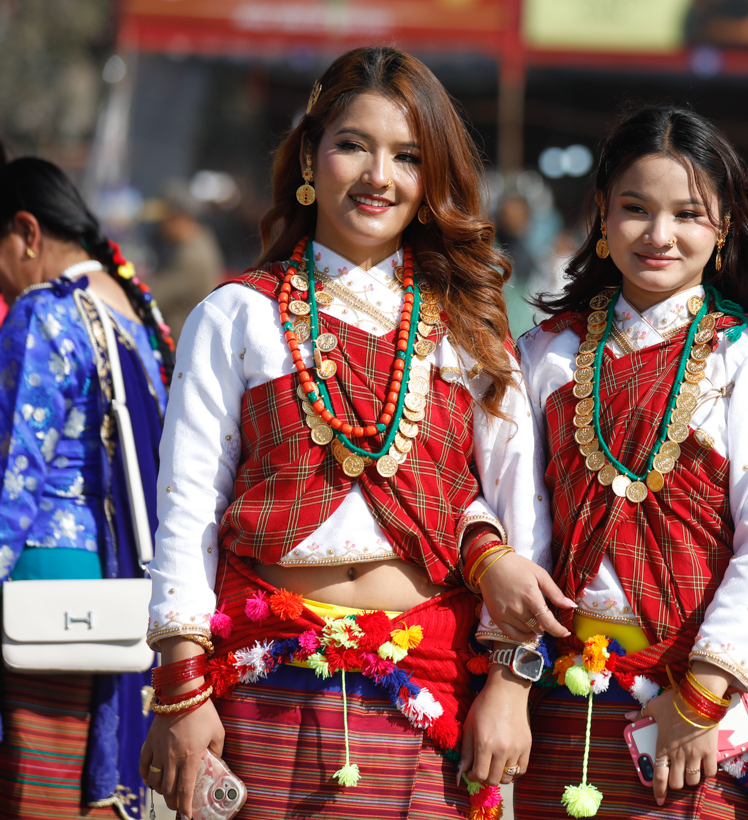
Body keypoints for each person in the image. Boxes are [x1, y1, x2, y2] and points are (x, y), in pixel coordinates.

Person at [139, 46, 565, 819]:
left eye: (408, 156)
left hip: (430, 688)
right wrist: (180, 689)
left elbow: (520, 520)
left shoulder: (470, 333)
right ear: (309, 156)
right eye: (352, 145)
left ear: (432, 181)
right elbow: (188, 508)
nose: (379, 176)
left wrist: (510, 684)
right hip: (262, 686)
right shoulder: (236, 315)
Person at [512, 106, 748, 819]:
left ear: (725, 227)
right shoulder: (546, 354)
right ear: (600, 213)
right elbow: (523, 527)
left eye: (687, 214)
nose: (659, 234)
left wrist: (703, 694)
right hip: (559, 695)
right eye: (636, 209)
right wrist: (511, 675)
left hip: (697, 701)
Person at [0, 157, 174, 819]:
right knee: (81, 787)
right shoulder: (134, 311)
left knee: (36, 788)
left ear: (26, 233)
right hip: (118, 581)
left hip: (40, 576)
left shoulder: (43, 311)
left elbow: (14, 473)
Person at [148, 186, 225, 340]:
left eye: (164, 219)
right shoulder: (199, 238)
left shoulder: (192, 258)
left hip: (180, 343)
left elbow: (152, 299)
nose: (160, 226)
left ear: (179, 218)